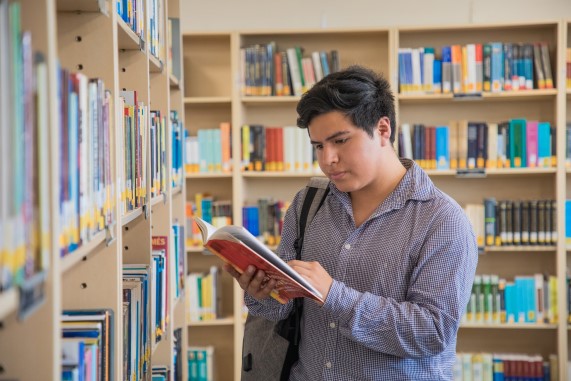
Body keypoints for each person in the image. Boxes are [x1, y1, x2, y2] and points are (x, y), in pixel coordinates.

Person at [224, 65, 478, 380]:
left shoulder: (443, 221)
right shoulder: (308, 204)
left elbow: (432, 333)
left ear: (383, 130)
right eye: (318, 146)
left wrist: (334, 296)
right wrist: (263, 293)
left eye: (340, 141)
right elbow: (281, 312)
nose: (327, 158)